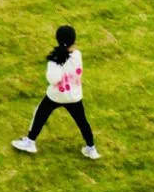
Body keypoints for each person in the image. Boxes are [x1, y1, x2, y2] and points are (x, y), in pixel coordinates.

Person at [12, 25, 98, 160]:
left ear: (57, 39)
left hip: (56, 96)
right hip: (74, 97)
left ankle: (30, 141)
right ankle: (91, 148)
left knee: (40, 115)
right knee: (82, 122)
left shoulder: (54, 60)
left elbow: (54, 79)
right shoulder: (78, 55)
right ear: (73, 40)